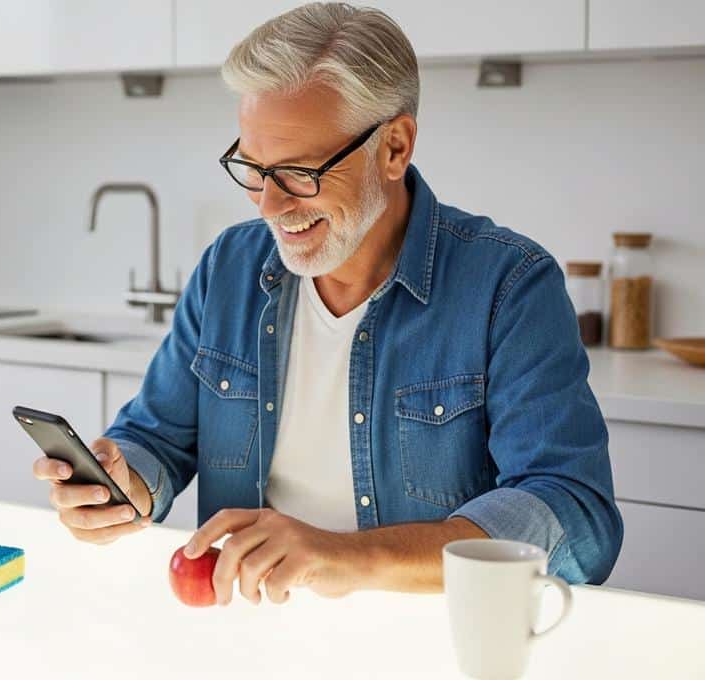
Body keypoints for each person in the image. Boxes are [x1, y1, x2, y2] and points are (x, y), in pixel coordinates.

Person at [33, 2, 622, 605]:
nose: (268, 205)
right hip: (255, 633)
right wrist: (124, 482)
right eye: (254, 169)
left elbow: (573, 512)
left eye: (298, 173)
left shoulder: (509, 285)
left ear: (394, 147)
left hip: (436, 642)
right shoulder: (228, 269)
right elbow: (156, 437)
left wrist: (346, 556)